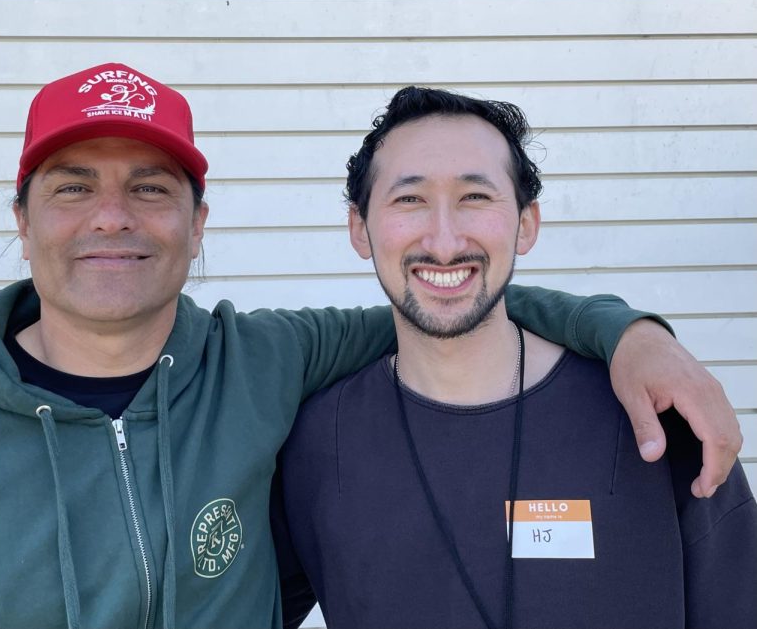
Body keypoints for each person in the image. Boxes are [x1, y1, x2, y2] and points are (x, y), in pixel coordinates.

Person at [0, 63, 742, 629]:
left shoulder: (262, 366)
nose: (113, 216)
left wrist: (627, 334)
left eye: (152, 187)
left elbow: (452, 295)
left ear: (199, 225)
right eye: (73, 185)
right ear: (21, 220)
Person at [274, 87, 757, 629]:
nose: (444, 239)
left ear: (527, 223)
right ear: (359, 229)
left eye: (475, 197)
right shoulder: (315, 444)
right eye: (408, 199)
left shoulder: (653, 416)